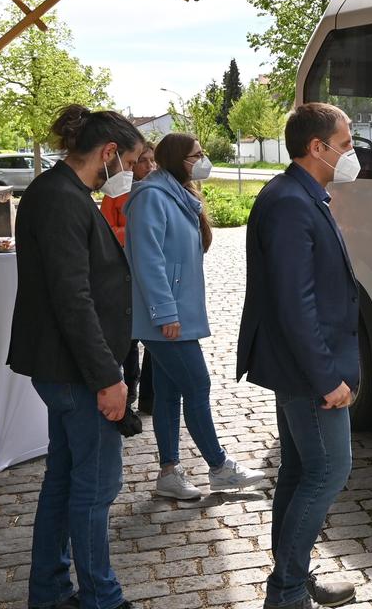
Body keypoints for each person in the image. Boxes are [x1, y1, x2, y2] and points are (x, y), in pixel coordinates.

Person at [7, 105, 144, 609]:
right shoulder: (63, 197)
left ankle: (49, 591)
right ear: (108, 154)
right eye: (128, 162)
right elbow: (73, 297)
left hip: (66, 368)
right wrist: (108, 378)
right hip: (77, 372)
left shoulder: (61, 192)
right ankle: (100, 598)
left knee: (65, 480)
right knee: (96, 488)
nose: (129, 173)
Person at [238, 103, 361, 609]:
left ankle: (292, 576)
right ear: (318, 147)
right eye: (346, 141)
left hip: (303, 366)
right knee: (330, 471)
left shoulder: (300, 193)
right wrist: (326, 377)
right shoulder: (290, 201)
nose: (352, 150)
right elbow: (295, 302)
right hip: (309, 371)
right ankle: (286, 592)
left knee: (298, 470)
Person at [127, 133, 265, 500]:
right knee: (197, 385)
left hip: (176, 314)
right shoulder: (152, 197)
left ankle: (169, 473)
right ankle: (219, 468)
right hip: (166, 318)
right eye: (196, 155)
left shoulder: (176, 193)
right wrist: (164, 312)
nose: (203, 160)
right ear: (176, 160)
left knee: (170, 393)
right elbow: (148, 260)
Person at [101, 141, 156, 411]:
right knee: (129, 338)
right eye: (142, 161)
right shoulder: (117, 193)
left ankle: (150, 395)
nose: (149, 166)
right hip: (124, 273)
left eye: (152, 161)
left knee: (155, 340)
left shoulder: (158, 193)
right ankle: (130, 387)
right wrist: (132, 231)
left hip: (150, 274)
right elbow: (105, 231)